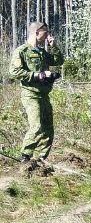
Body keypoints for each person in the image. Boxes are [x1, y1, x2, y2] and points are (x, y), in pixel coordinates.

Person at [9, 21, 64, 174]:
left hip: (44, 95)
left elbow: (58, 61)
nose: (47, 36)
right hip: (30, 94)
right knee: (37, 127)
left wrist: (53, 47)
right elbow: (14, 72)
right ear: (36, 33)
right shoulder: (22, 51)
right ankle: (25, 157)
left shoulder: (43, 52)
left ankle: (39, 160)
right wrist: (37, 75)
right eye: (45, 33)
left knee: (48, 130)